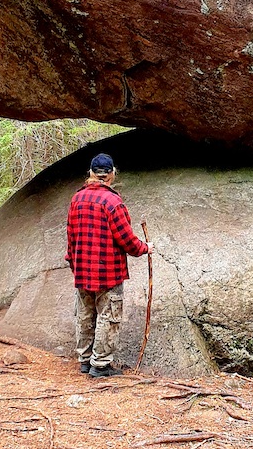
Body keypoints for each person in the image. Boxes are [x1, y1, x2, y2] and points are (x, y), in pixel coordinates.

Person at [65, 153, 153, 377]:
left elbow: (71, 235)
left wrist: (72, 261)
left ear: (92, 174)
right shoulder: (113, 202)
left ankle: (85, 360)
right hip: (108, 273)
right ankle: (100, 365)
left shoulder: (77, 199)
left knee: (85, 315)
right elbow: (126, 239)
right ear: (112, 174)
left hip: (83, 270)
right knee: (108, 316)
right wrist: (145, 248)